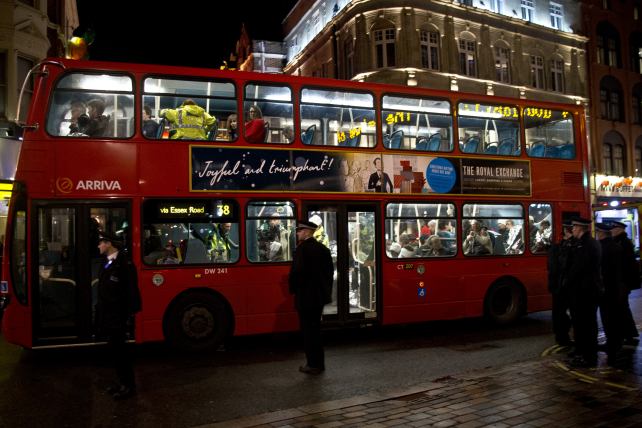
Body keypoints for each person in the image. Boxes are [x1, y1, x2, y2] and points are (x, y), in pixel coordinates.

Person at [95, 232, 141, 400]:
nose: (98, 246)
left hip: (118, 316)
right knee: (115, 351)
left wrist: (128, 316)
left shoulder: (125, 263)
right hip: (109, 315)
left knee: (122, 353)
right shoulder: (108, 262)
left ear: (109, 243)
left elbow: (131, 291)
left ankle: (128, 386)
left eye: (101, 243)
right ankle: (121, 382)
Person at [289, 220, 334, 375]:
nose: (297, 233)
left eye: (300, 230)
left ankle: (312, 364)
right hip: (319, 297)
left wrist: (293, 289)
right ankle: (319, 363)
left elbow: (297, 273)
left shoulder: (302, 250)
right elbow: (329, 273)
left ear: (307, 232)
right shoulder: (323, 249)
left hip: (306, 297)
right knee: (316, 330)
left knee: (308, 331)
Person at [566, 217, 602, 368]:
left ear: (581, 228)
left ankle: (588, 357)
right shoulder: (587, 243)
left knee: (585, 325)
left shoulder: (586, 245)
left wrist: (568, 280)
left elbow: (579, 268)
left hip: (585, 291)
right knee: (584, 324)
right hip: (586, 290)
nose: (572, 230)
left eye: (574, 227)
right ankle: (584, 354)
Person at [595, 222, 627, 365]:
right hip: (616, 289)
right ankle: (616, 343)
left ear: (602, 233)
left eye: (597, 232)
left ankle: (612, 346)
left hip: (606, 289)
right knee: (614, 318)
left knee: (608, 319)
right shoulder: (616, 247)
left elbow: (602, 270)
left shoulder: (603, 248)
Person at [608, 220, 640, 345]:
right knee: (621, 308)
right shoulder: (618, 242)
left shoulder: (625, 243)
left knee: (622, 308)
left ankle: (628, 334)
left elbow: (627, 265)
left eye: (614, 229)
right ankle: (628, 333)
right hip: (620, 281)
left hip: (622, 282)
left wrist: (626, 283)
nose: (612, 231)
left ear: (620, 230)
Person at [547, 222, 575, 346]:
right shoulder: (568, 248)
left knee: (558, 312)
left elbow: (550, 268)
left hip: (556, 285)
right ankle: (564, 336)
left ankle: (560, 336)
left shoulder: (555, 248)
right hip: (564, 285)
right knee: (566, 312)